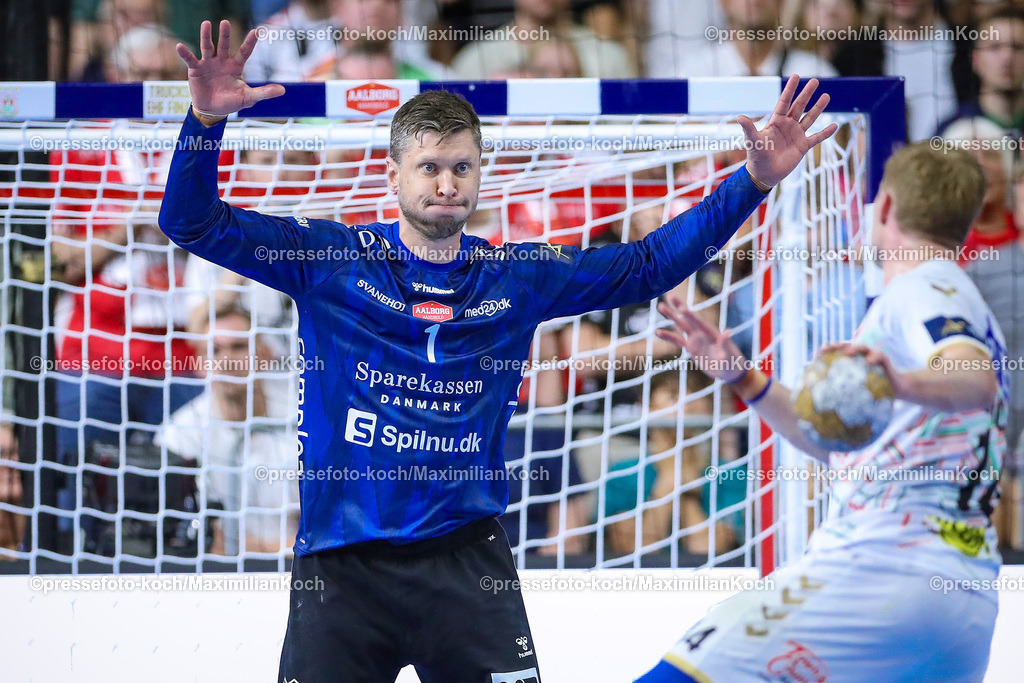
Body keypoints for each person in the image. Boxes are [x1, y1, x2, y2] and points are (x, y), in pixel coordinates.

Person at [163, 20, 835, 682]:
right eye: (428, 167)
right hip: (342, 566)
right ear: (392, 173)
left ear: (482, 174)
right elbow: (188, 220)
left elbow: (649, 265)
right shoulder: (330, 259)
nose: (446, 183)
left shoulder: (517, 276)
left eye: (461, 167)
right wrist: (204, 121)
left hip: (465, 565)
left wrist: (752, 181)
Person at [637, 142, 1005, 682]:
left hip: (882, 569)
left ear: (884, 208)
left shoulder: (926, 287)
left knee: (677, 676)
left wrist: (891, 380)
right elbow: (834, 446)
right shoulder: (954, 298)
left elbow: (977, 381)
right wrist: (743, 375)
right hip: (961, 598)